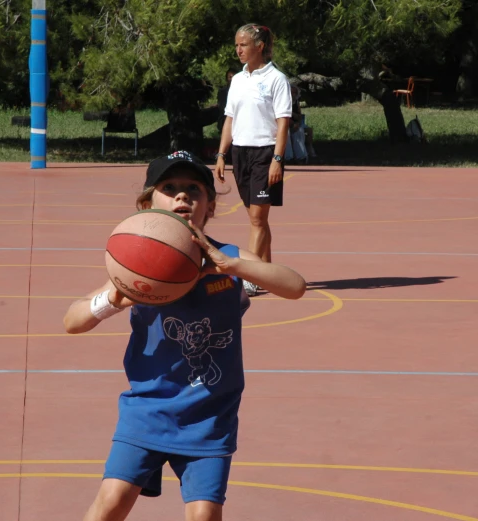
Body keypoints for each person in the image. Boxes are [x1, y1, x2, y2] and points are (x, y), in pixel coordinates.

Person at [64, 150, 306, 521]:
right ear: (147, 204)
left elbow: (295, 286)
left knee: (204, 515)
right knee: (111, 502)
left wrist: (234, 265)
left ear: (209, 207)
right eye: (169, 187)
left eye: (194, 189)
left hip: (209, 417)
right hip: (148, 409)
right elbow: (73, 320)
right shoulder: (137, 262)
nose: (182, 196)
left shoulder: (228, 260)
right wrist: (113, 298)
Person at [214, 24, 292, 297]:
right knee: (257, 217)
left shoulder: (276, 79)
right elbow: (229, 119)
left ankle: (250, 277)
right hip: (240, 154)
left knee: (258, 218)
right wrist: (222, 154)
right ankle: (267, 271)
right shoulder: (237, 80)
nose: (238, 50)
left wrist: (277, 159)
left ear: (259, 46)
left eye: (244, 44)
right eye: (236, 44)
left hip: (264, 152)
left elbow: (283, 124)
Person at [216, 69, 237, 134]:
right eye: (229, 77)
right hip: (225, 120)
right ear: (227, 79)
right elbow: (222, 107)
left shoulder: (241, 90)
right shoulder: (222, 91)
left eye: (233, 76)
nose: (231, 79)